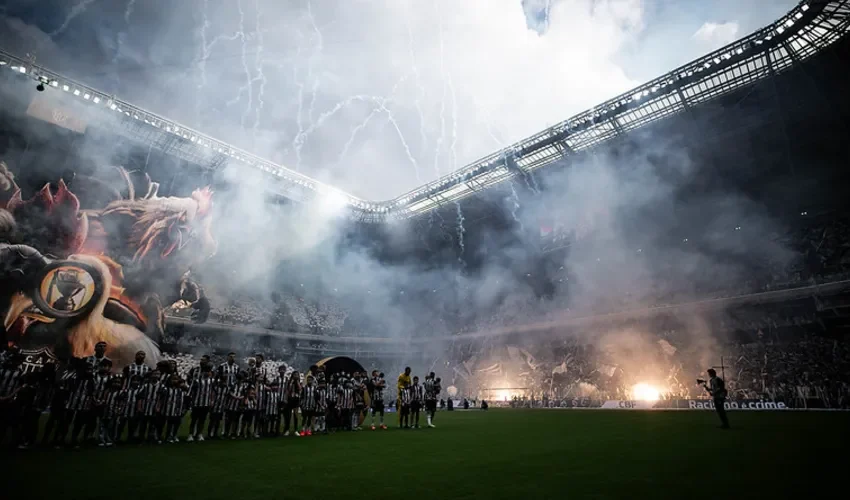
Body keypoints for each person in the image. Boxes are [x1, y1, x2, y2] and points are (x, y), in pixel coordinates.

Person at [188, 369, 214, 441]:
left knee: (202, 420)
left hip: (205, 404)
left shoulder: (211, 381)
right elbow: (191, 390)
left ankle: (199, 434)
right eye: (206, 371)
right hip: (196, 403)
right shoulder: (196, 380)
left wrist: (211, 401)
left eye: (208, 371)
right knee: (194, 420)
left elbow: (212, 391)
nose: (207, 373)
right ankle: (190, 434)